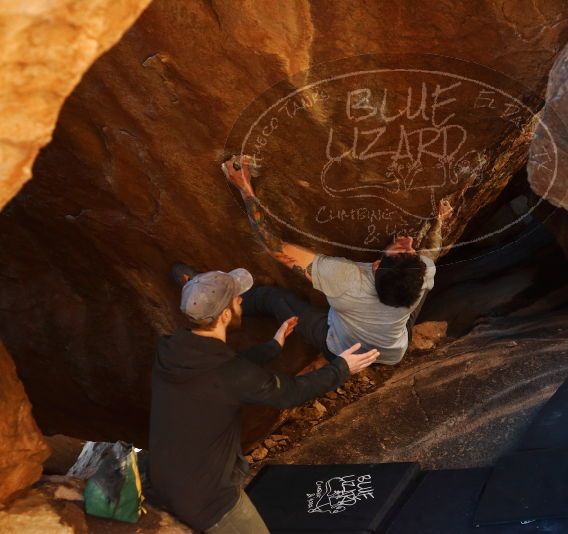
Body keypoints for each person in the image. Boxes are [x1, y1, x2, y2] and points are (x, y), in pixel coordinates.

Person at [148, 267, 379, 533]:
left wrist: (274, 345)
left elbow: (223, 374)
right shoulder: (228, 374)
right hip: (208, 501)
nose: (242, 300)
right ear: (224, 315)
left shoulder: (170, 350)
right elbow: (291, 392)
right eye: (237, 299)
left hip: (164, 478)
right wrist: (342, 368)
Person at [222, 157, 452, 366]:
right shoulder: (421, 277)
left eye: (402, 249)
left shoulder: (346, 280)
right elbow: (431, 254)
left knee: (272, 298)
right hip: (391, 352)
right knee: (409, 313)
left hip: (342, 349)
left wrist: (245, 188)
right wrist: (438, 223)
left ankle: (226, 306)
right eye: (410, 249)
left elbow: (275, 247)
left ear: (376, 266)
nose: (409, 240)